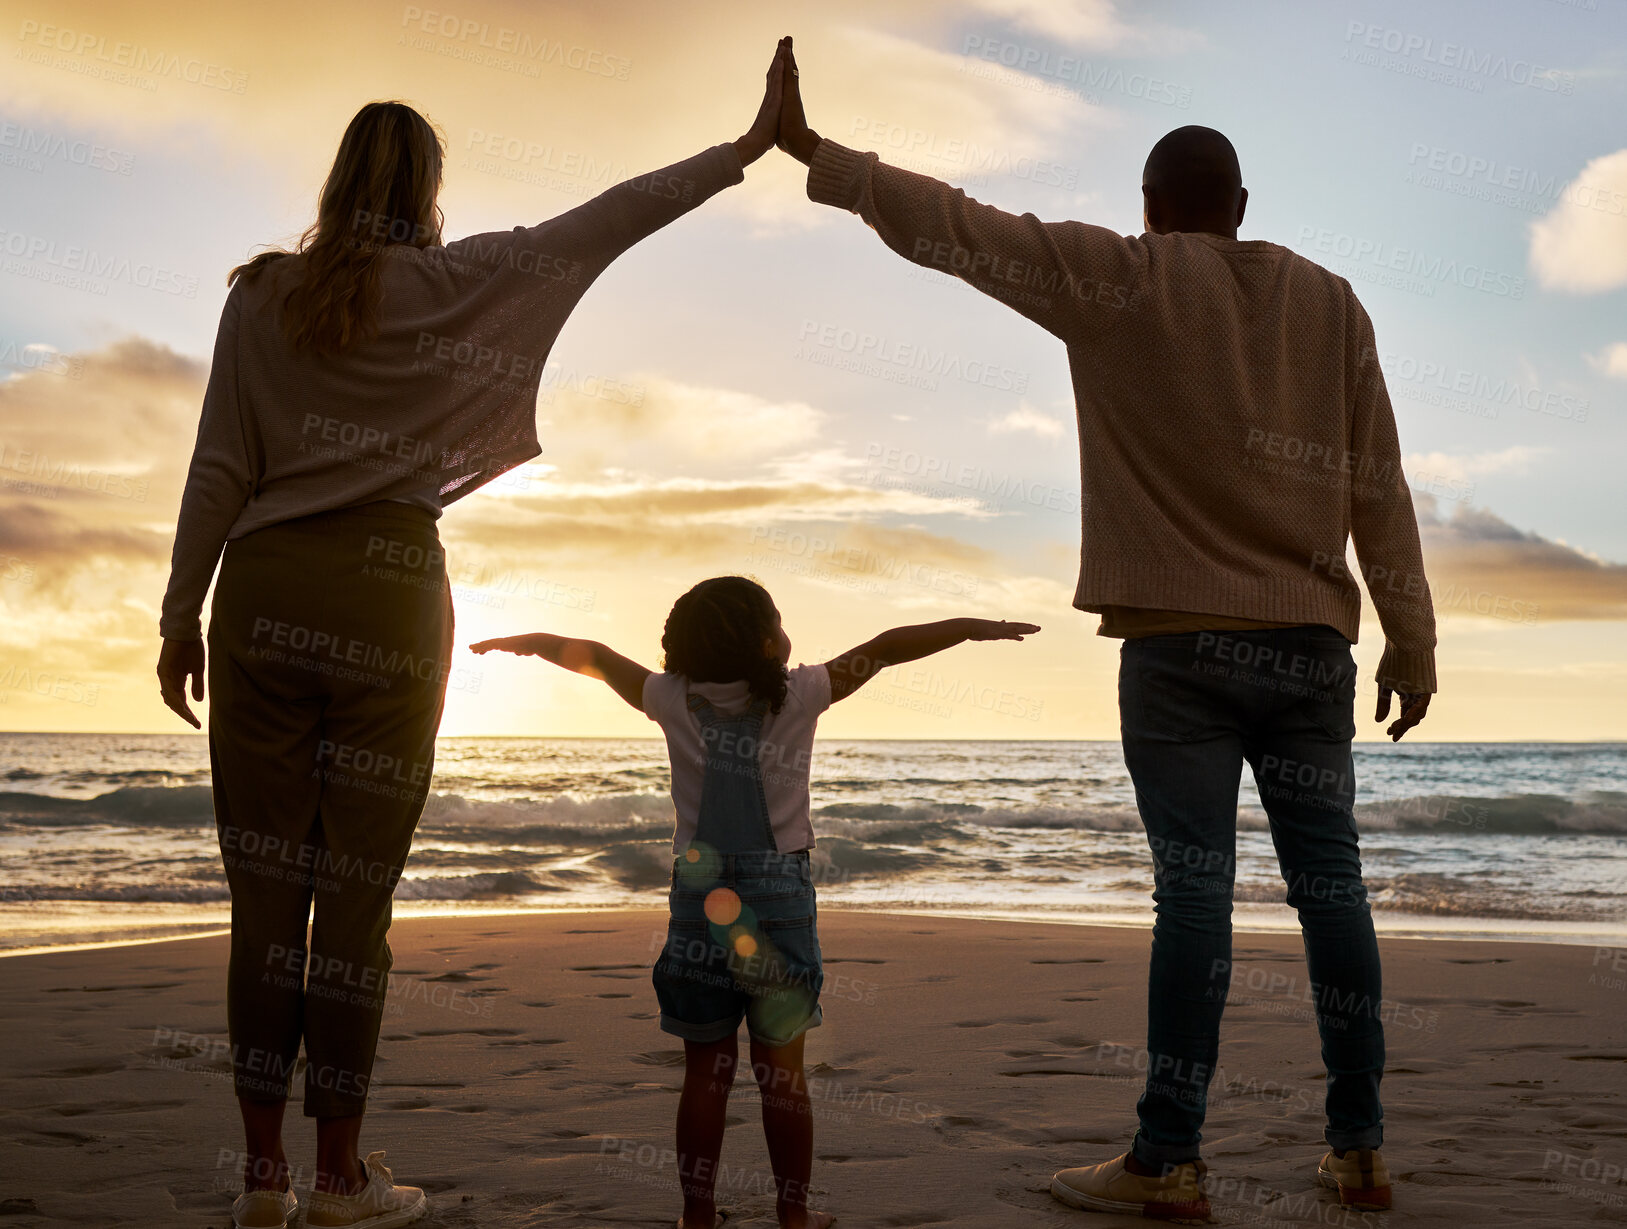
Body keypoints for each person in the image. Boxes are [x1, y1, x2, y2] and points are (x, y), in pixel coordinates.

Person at [774, 38, 1435, 1219]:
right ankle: (1361, 1149)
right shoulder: (1332, 303)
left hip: (1179, 645)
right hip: (1306, 645)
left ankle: (1168, 1157)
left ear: (1148, 208)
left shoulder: (1118, 277)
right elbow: (1377, 481)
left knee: (1194, 897)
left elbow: (961, 229)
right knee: (1330, 891)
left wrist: (824, 157)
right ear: (1238, 210)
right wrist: (1412, 634)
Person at [155, 42, 794, 1229]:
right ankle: (340, 1176)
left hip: (264, 588)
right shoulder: (467, 282)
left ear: (339, 180)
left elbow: (217, 470)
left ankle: (260, 1177)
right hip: (392, 593)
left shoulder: (259, 295)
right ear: (427, 190)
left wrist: (177, 612)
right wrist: (743, 151)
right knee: (353, 904)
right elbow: (617, 217)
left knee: (264, 901)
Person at [473, 576, 1040, 1229]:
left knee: (705, 1069)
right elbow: (885, 646)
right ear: (767, 639)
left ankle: (697, 1214)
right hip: (779, 896)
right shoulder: (800, 692)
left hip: (700, 898)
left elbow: (592, 653)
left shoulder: (666, 695)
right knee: (783, 1071)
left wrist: (527, 641)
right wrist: (969, 625)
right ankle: (793, 1214)